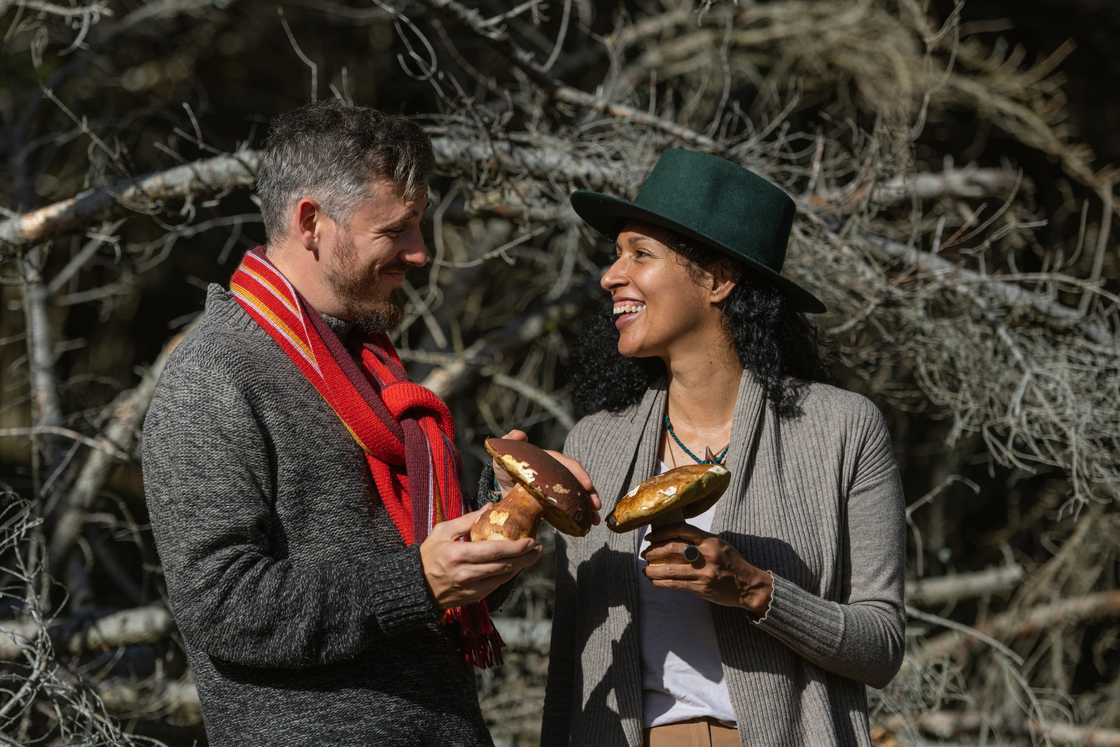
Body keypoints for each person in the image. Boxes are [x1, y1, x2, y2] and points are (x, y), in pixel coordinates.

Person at [142, 100, 596, 746]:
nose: (420, 252)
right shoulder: (214, 374)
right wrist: (417, 579)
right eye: (397, 230)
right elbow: (223, 603)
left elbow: (429, 604)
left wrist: (502, 514)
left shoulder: (375, 372)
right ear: (311, 222)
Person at [542, 149, 906, 747]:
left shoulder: (842, 429)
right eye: (616, 255)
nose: (611, 275)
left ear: (717, 279)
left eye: (640, 254)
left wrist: (757, 591)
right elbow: (570, 657)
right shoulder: (595, 442)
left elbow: (881, 645)